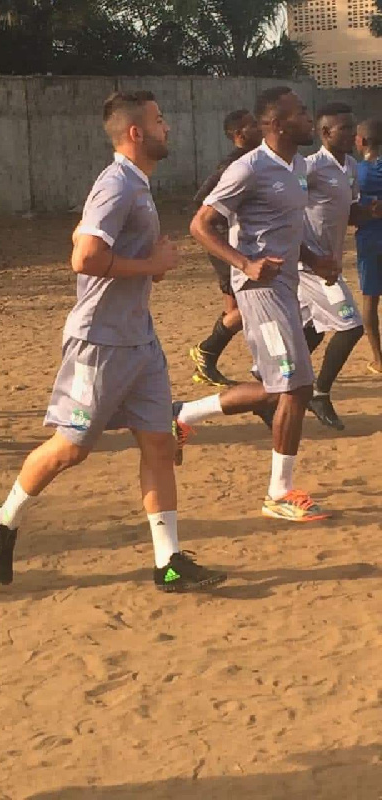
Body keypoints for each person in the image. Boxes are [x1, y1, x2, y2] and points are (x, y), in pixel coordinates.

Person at [0, 91, 227, 593]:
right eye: (160, 120)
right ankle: (4, 519)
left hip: (140, 340)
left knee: (159, 444)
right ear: (136, 132)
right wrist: (152, 266)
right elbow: (85, 258)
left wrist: (146, 270)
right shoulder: (116, 184)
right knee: (71, 450)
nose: (169, 127)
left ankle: (169, 561)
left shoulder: (135, 184)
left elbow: (83, 238)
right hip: (100, 342)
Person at [175, 87, 339, 522]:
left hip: (286, 286)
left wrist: (314, 258)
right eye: (300, 112)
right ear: (278, 124)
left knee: (282, 385)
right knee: (295, 386)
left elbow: (286, 230)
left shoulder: (298, 166)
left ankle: (183, 414)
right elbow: (200, 224)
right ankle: (278, 494)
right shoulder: (248, 168)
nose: (308, 118)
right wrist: (245, 264)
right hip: (259, 292)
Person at [299, 104, 381, 429]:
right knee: (351, 326)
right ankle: (318, 392)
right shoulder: (309, 168)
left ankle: (275, 386)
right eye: (342, 129)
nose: (350, 134)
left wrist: (372, 211)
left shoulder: (349, 167)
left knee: (312, 332)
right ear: (325, 133)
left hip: (327, 263)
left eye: (351, 128)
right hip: (312, 266)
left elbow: (350, 215)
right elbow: (286, 207)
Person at [189, 109, 263, 387]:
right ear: (240, 135)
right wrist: (224, 237)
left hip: (236, 247)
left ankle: (206, 362)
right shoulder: (233, 165)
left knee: (235, 309)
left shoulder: (257, 160)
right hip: (227, 247)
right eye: (254, 124)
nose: (261, 128)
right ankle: (206, 350)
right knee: (247, 308)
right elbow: (201, 203)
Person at [354, 118, 382, 374]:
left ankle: (378, 359)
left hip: (370, 241)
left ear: (361, 141)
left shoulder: (355, 172)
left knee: (370, 300)